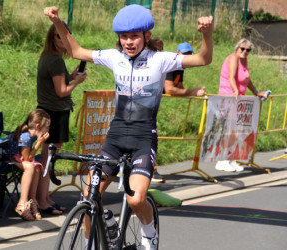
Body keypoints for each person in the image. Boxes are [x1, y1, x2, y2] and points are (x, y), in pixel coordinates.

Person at [44, 4, 213, 249]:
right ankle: (92, 242)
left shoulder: (160, 60)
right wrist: (58, 22)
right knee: (88, 198)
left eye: (134, 36)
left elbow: (203, 58)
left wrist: (206, 34)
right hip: (115, 139)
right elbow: (77, 50)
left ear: (146, 36)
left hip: (143, 139)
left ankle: (149, 231)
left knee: (135, 200)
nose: (129, 42)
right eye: (124, 36)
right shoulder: (115, 58)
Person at [36, 22, 87, 216]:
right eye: (59, 36)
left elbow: (57, 83)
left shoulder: (49, 57)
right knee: (47, 160)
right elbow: (61, 92)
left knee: (48, 159)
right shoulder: (55, 61)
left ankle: (45, 198)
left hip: (48, 112)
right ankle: (42, 200)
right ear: (52, 38)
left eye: (65, 36)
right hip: (54, 114)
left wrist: (71, 75)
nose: (62, 40)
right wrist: (76, 82)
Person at [215, 38, 267, 172]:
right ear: (237, 48)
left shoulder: (244, 60)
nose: (244, 52)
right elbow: (231, 77)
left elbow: (247, 80)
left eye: (248, 50)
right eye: (242, 49)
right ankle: (221, 161)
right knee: (228, 129)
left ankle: (230, 159)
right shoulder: (233, 58)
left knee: (236, 129)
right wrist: (235, 90)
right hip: (229, 97)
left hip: (239, 99)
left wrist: (256, 92)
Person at [8, 109, 50, 221]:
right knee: (30, 166)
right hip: (6, 158)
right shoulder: (26, 136)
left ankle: (32, 202)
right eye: (46, 127)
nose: (48, 130)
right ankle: (22, 202)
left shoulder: (32, 135)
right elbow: (27, 158)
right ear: (37, 126)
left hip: (18, 157)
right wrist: (39, 143)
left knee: (37, 167)